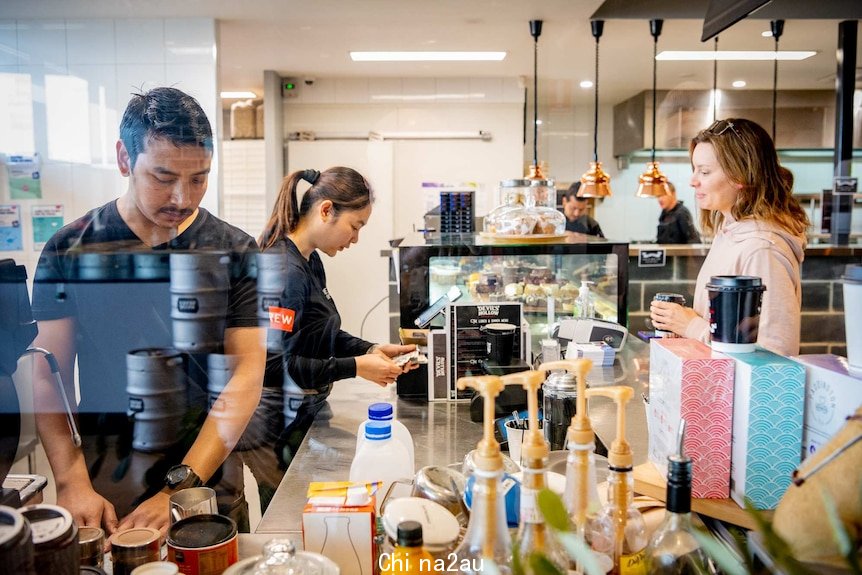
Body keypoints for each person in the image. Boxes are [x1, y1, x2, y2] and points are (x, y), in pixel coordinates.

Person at [30, 87, 266, 538]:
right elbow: (48, 374)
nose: (182, 197)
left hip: (207, 491)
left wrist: (181, 485)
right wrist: (71, 480)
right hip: (107, 494)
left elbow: (246, 374)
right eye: (162, 176)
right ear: (124, 158)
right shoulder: (70, 248)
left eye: (199, 178)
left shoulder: (235, 250)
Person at [258, 167, 417, 465]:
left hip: (306, 408)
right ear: (327, 210)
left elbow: (320, 333)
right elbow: (272, 367)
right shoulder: (284, 273)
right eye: (355, 226)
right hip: (279, 423)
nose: (355, 238)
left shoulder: (311, 260)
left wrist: (369, 349)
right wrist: (356, 367)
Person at [650, 118, 809, 356]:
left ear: (740, 175)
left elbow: (774, 354)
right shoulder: (728, 233)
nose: (693, 181)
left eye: (704, 171)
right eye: (694, 170)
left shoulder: (762, 249)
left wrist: (690, 325)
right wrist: (682, 324)